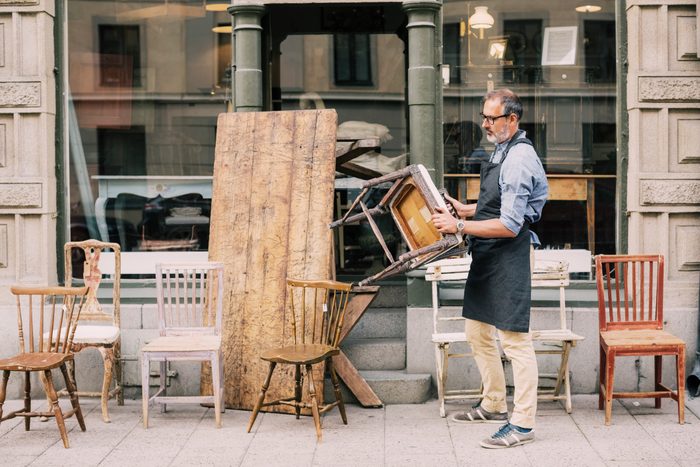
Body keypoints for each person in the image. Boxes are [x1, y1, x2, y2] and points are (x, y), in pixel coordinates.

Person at [431, 88, 548, 449]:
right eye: (484, 116)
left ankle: (523, 424)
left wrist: (459, 227)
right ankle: (494, 403)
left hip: (509, 253)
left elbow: (510, 225)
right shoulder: (502, 148)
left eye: (491, 118)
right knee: (477, 331)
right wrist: (465, 210)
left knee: (514, 340)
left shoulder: (517, 160)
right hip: (488, 254)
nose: (485, 124)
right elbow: (497, 206)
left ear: (512, 119)